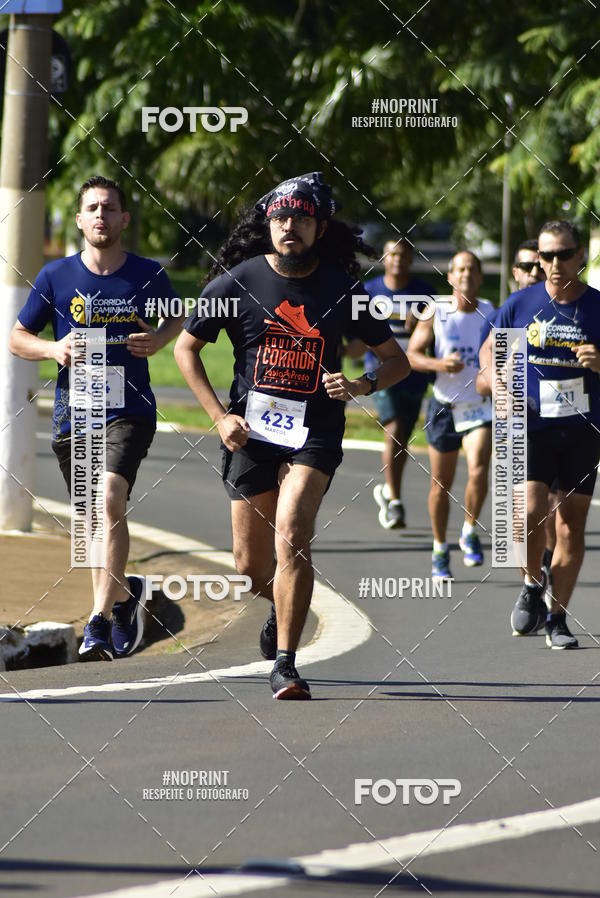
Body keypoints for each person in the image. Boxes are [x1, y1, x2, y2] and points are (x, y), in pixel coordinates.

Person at [174, 172, 409, 700]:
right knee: (249, 564)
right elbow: (185, 349)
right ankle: (280, 606)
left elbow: (398, 361)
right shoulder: (238, 282)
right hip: (250, 433)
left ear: (320, 227)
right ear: (268, 223)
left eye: (301, 219)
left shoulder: (343, 289)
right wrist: (218, 417)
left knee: (293, 531)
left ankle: (285, 663)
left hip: (315, 432)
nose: (289, 227)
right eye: (281, 218)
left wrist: (360, 384)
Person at [8, 175, 183, 661]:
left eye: (110, 207)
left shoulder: (147, 275)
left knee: (109, 499)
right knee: (90, 524)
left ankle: (98, 623)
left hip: (129, 410)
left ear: (125, 219)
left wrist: (159, 339)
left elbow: (178, 317)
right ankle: (124, 597)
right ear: (80, 220)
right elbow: (17, 337)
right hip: (74, 414)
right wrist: (53, 347)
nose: (101, 215)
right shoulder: (55, 277)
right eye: (93, 208)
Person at [479, 220, 600, 649]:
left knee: (569, 529)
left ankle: (557, 618)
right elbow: (489, 354)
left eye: (563, 255)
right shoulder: (521, 303)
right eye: (545, 256)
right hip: (531, 425)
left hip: (583, 431)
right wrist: (498, 383)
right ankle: (532, 583)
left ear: (581, 256)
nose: (552, 264)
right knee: (527, 512)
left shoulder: (598, 307)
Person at [407, 251, 496, 579]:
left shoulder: (491, 312)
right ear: (450, 276)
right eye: (460, 269)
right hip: (444, 404)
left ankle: (469, 530)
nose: (466, 275)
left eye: (472, 269)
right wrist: (439, 364)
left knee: (477, 470)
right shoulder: (436, 311)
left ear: (480, 276)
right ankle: (440, 547)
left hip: (478, 405)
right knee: (440, 484)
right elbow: (413, 355)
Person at [348, 238, 433, 529]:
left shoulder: (425, 293)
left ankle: (387, 490)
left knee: (403, 437)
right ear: (384, 258)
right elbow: (356, 337)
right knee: (394, 429)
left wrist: (423, 324)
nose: (398, 260)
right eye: (392, 255)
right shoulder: (369, 291)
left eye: (404, 255)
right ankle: (395, 501)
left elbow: (435, 332)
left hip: (414, 373)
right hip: (380, 371)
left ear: (410, 259)